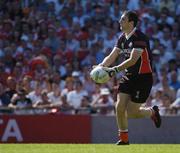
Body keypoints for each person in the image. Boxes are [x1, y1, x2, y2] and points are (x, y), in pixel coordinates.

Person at [97, 11, 161, 145]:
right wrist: (101, 66)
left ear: (131, 22)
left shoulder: (139, 37)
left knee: (132, 113)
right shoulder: (122, 37)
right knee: (119, 107)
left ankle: (152, 112)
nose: (120, 22)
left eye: (123, 19)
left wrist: (113, 70)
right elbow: (112, 55)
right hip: (128, 76)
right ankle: (124, 140)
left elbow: (133, 60)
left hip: (143, 79)